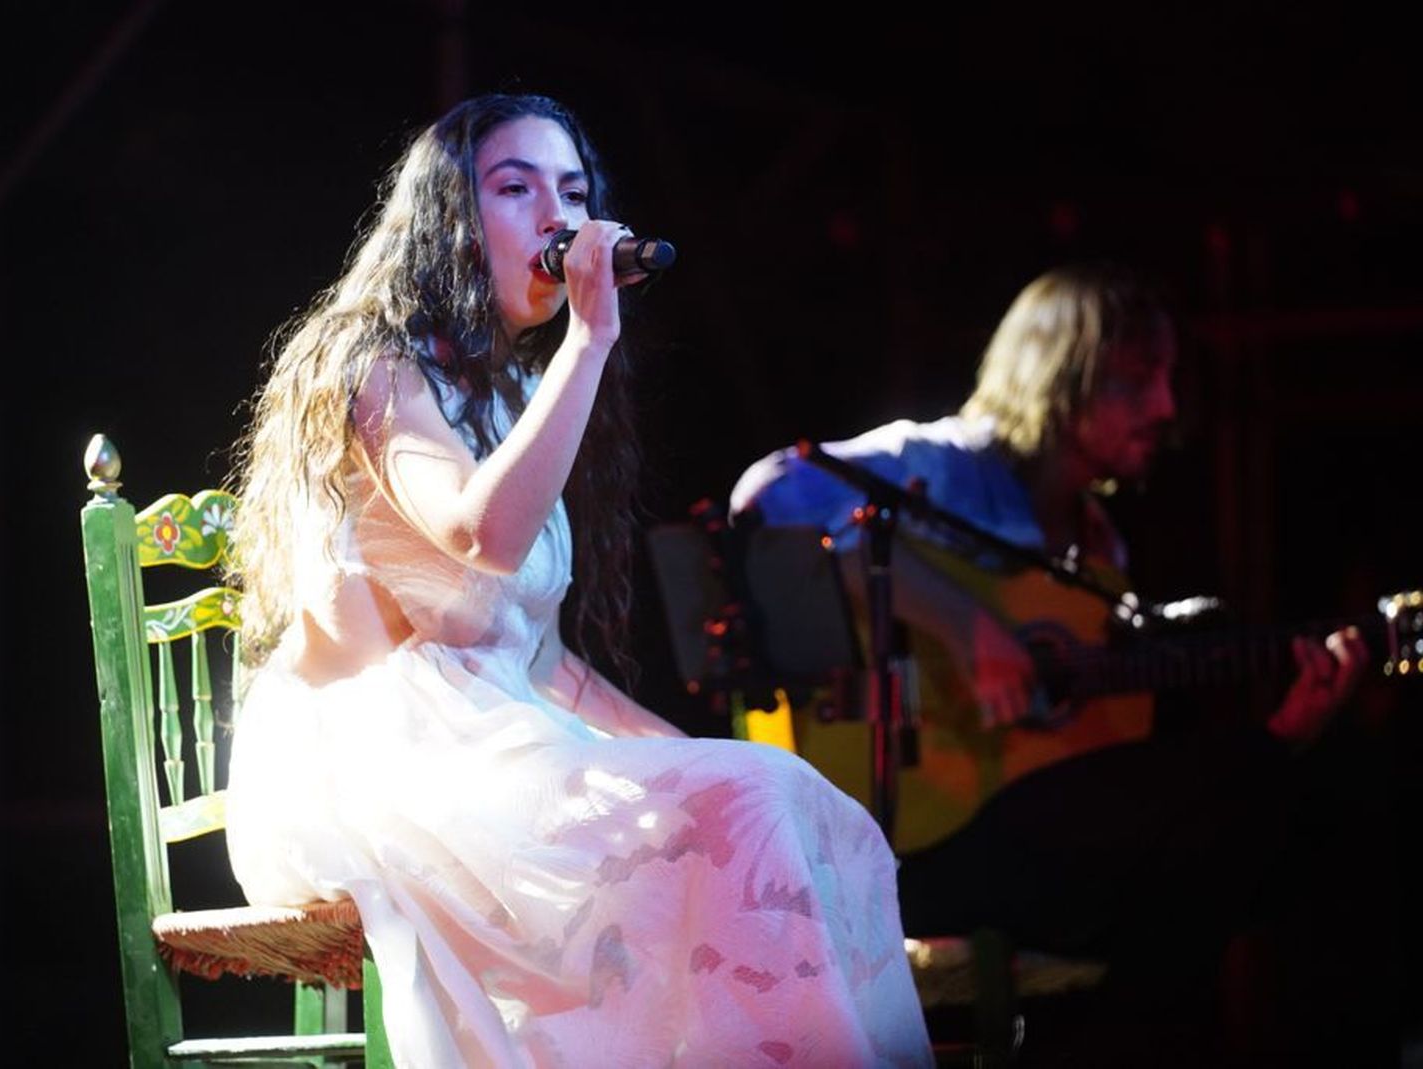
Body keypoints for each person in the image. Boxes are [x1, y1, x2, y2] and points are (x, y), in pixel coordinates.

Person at [222, 93, 932, 1068]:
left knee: (788, 799)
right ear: (446, 218)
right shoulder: (371, 367)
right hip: (370, 758)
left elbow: (540, 658)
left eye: (572, 190)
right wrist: (588, 341)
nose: (556, 216)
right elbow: (481, 534)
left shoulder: (511, 389)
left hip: (488, 743)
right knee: (733, 814)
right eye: (515, 188)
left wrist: (694, 757)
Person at [731, 263, 1387, 1065]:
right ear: (1067, 375)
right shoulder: (948, 463)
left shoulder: (1099, 541)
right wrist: (968, 622)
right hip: (906, 836)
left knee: (1271, 837)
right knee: (1222, 828)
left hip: (1031, 837)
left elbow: (1091, 753)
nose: (1168, 408)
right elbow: (769, 497)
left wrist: (1283, 733)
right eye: (1140, 381)